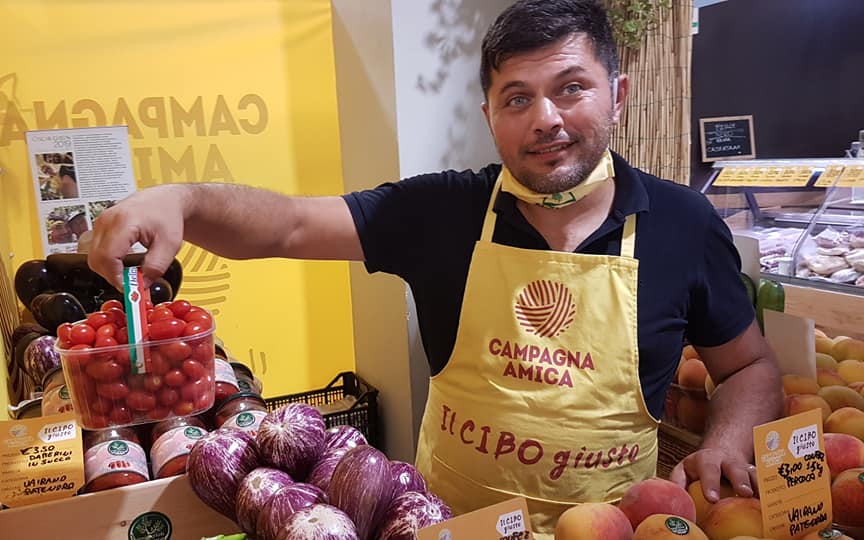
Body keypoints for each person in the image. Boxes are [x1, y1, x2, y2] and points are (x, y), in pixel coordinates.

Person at [88, 0, 781, 536]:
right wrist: (182, 200)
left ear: (618, 95)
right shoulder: (443, 211)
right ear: (490, 114)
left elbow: (748, 366)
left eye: (571, 88)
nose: (545, 118)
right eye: (518, 97)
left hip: (614, 530)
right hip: (446, 525)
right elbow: (290, 224)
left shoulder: (685, 225)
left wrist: (725, 440)